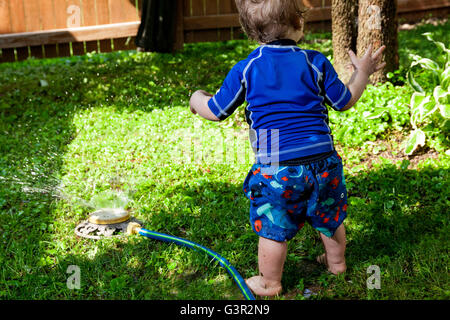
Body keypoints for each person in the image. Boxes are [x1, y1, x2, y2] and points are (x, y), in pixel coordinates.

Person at [189, 0, 386, 297]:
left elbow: (216, 110)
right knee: (329, 214)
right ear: (300, 24)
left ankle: (269, 282)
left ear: (251, 32)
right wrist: (362, 72)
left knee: (273, 224)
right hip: (323, 160)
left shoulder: (248, 68)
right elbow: (344, 100)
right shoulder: (315, 61)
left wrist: (196, 99)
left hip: (276, 162)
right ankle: (336, 263)